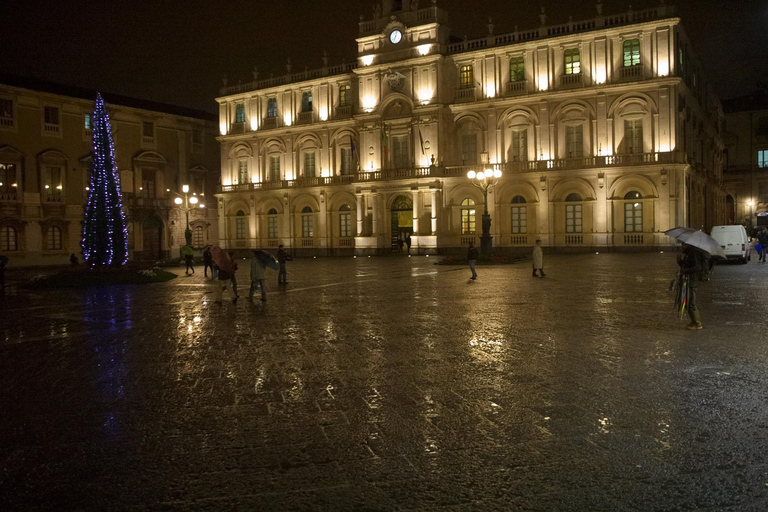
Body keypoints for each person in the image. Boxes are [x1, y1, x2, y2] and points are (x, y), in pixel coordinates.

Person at [678, 243, 706, 330]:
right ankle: (694, 321)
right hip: (689, 280)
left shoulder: (694, 253)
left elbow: (698, 267)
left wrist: (686, 270)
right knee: (688, 302)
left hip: (692, 281)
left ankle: (697, 323)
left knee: (691, 302)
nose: (682, 246)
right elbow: (686, 265)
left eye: (683, 244)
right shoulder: (689, 253)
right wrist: (680, 262)